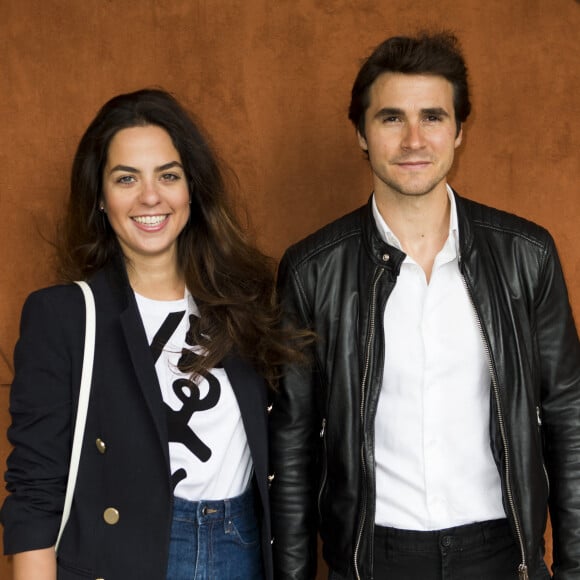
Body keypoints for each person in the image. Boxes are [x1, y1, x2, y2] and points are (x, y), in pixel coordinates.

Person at [269, 32, 580, 580]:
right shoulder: (312, 270)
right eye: (391, 118)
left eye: (432, 117)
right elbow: (293, 444)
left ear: (459, 131)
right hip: (374, 558)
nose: (414, 139)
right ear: (362, 134)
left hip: (498, 551)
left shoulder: (525, 255)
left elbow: (567, 419)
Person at [1, 88, 302, 579]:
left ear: (191, 189)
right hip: (129, 558)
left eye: (168, 175)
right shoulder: (64, 316)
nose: (150, 196)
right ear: (99, 196)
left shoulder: (248, 305)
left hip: (241, 550)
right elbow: (34, 494)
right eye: (126, 178)